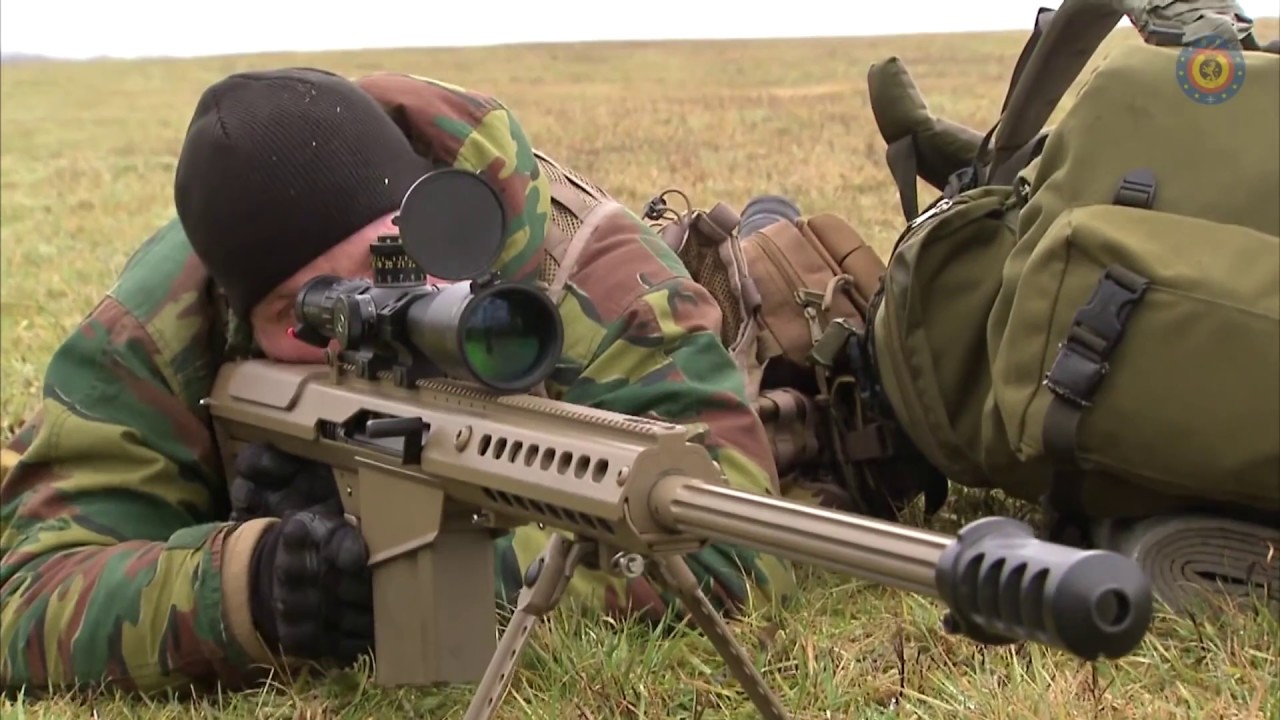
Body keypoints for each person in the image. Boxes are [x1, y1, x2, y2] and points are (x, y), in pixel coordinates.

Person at [0, 68, 798, 694]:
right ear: (243, 320)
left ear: (441, 217)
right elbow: (29, 596)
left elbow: (733, 546)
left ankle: (772, 231)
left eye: (393, 259)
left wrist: (419, 564)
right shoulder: (158, 331)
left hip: (696, 349)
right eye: (307, 309)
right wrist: (251, 585)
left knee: (796, 350)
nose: (373, 309)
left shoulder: (594, 276)